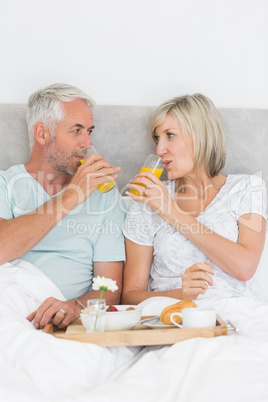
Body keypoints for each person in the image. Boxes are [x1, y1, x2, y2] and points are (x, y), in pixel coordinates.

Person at [0, 83, 126, 328]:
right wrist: (72, 195)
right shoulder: (6, 184)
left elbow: (110, 289)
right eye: (76, 130)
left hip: (54, 314)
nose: (87, 142)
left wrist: (75, 307)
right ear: (42, 134)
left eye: (89, 130)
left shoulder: (106, 196)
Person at [122, 93, 267, 304]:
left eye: (170, 135)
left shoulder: (246, 188)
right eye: (157, 138)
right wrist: (180, 294)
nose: (159, 149)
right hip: (175, 317)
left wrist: (171, 211)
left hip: (237, 315)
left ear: (200, 137)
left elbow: (244, 267)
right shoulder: (147, 200)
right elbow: (129, 297)